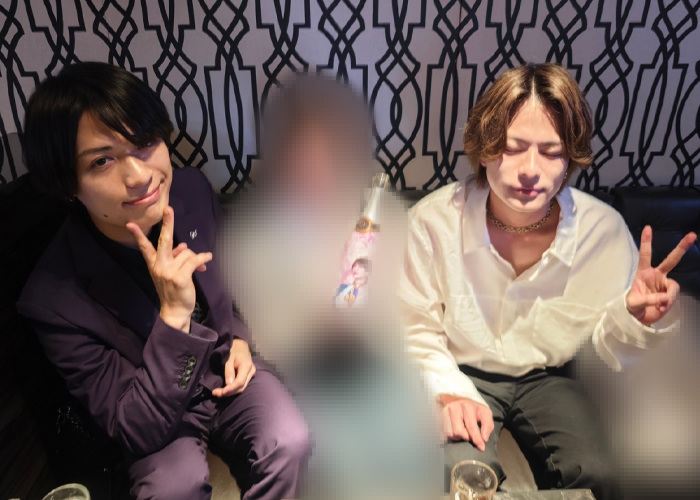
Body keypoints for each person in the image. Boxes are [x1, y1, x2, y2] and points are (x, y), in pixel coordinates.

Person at [399, 62, 697, 499]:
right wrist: (446, 391)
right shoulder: (432, 221)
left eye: (551, 152)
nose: (530, 170)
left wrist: (634, 319)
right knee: (461, 475)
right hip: (460, 368)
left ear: (570, 157)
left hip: (547, 377)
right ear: (484, 149)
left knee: (602, 475)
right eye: (513, 147)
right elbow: (412, 326)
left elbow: (602, 348)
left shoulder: (603, 232)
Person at [16, 62, 310, 500]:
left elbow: (231, 285)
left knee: (290, 440)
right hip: (157, 407)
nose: (139, 176)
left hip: (226, 369)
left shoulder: (191, 190)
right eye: (101, 161)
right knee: (173, 488)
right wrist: (174, 317)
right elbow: (134, 427)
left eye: (144, 142)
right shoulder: (53, 300)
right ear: (67, 185)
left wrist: (241, 338)